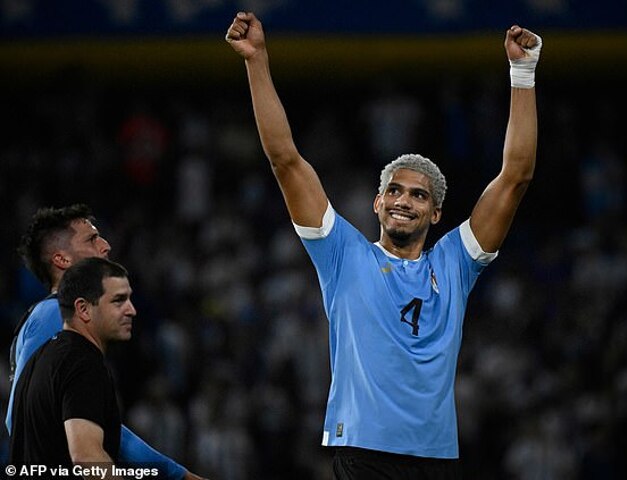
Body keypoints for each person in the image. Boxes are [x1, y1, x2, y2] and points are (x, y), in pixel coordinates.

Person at [226, 11, 542, 479]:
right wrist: (256, 61)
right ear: (377, 203)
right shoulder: (343, 255)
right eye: (394, 190)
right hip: (363, 455)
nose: (403, 201)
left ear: (436, 213)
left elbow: (515, 177)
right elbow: (285, 160)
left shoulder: (454, 263)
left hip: (435, 460)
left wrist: (523, 72)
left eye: (418, 195)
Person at [7, 204, 206, 480]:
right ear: (62, 259)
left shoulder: (62, 323)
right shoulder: (55, 314)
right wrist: (177, 475)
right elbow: (19, 416)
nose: (106, 245)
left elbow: (92, 424)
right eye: (92, 239)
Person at [9, 257, 134, 477]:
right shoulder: (83, 363)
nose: (131, 310)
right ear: (83, 309)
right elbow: (87, 458)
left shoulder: (40, 358)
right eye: (118, 300)